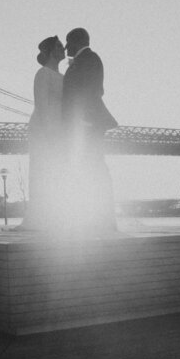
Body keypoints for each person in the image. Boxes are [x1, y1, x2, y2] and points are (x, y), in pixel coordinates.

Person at [62, 27, 118, 232]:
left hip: (87, 124)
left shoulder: (91, 59)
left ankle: (103, 219)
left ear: (77, 42)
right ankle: (94, 218)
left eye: (69, 43)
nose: (67, 48)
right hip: (80, 126)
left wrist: (84, 119)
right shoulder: (82, 61)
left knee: (94, 167)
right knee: (87, 168)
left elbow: (94, 90)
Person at [24, 36, 66, 230]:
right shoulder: (42, 74)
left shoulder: (64, 76)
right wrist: (50, 134)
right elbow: (41, 105)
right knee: (42, 173)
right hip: (43, 130)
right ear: (50, 51)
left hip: (58, 131)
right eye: (59, 46)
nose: (63, 48)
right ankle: (40, 219)